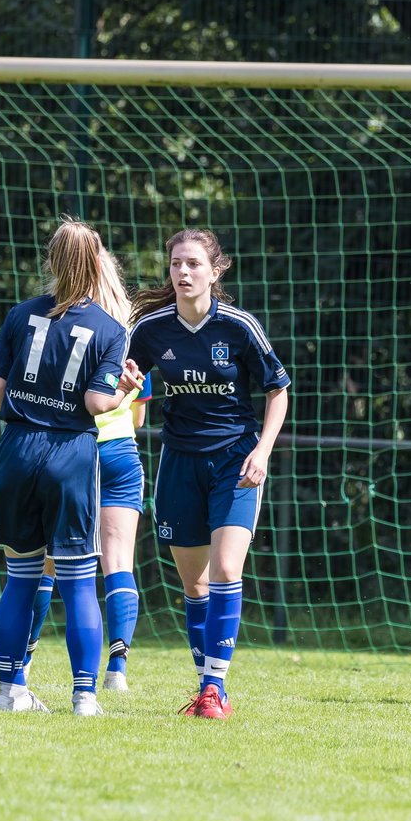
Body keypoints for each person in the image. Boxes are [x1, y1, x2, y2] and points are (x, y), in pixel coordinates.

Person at [0, 218, 143, 717]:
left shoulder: (19, 315)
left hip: (17, 450)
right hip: (71, 455)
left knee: (20, 578)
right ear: (98, 265)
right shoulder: (110, 329)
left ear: (51, 261)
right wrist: (127, 389)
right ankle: (85, 696)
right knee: (77, 582)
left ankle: (10, 692)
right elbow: (97, 401)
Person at [126, 228, 290, 720]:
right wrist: (130, 384)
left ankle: (215, 689)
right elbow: (125, 381)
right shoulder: (151, 330)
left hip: (235, 462)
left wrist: (262, 450)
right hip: (178, 462)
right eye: (176, 263)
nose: (183, 272)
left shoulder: (239, 327)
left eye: (194, 264)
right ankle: (206, 684)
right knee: (194, 586)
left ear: (215, 271)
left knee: (226, 571)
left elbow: (278, 390)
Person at [20, 248, 154, 692]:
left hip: (73, 450)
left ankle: (22, 661)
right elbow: (137, 418)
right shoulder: (130, 335)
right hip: (120, 453)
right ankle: (117, 670)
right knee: (118, 561)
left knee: (49, 564)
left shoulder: (60, 323)